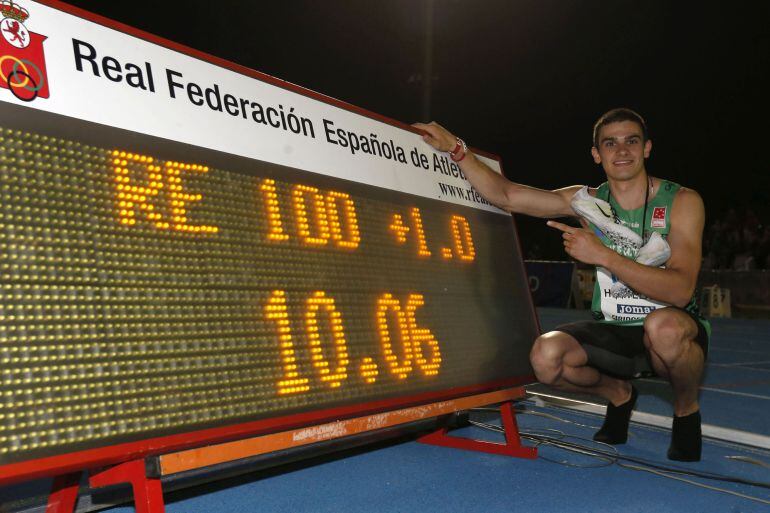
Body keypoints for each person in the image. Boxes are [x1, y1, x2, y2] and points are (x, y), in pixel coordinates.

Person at [414, 108, 709, 461]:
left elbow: (680, 290)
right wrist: (457, 149)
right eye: (610, 143)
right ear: (597, 155)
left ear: (647, 148)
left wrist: (603, 255)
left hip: (671, 323)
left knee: (663, 327)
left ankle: (685, 409)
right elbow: (508, 195)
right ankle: (619, 394)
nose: (622, 150)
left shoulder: (682, 201)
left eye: (632, 141)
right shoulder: (585, 201)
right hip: (615, 327)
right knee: (545, 357)